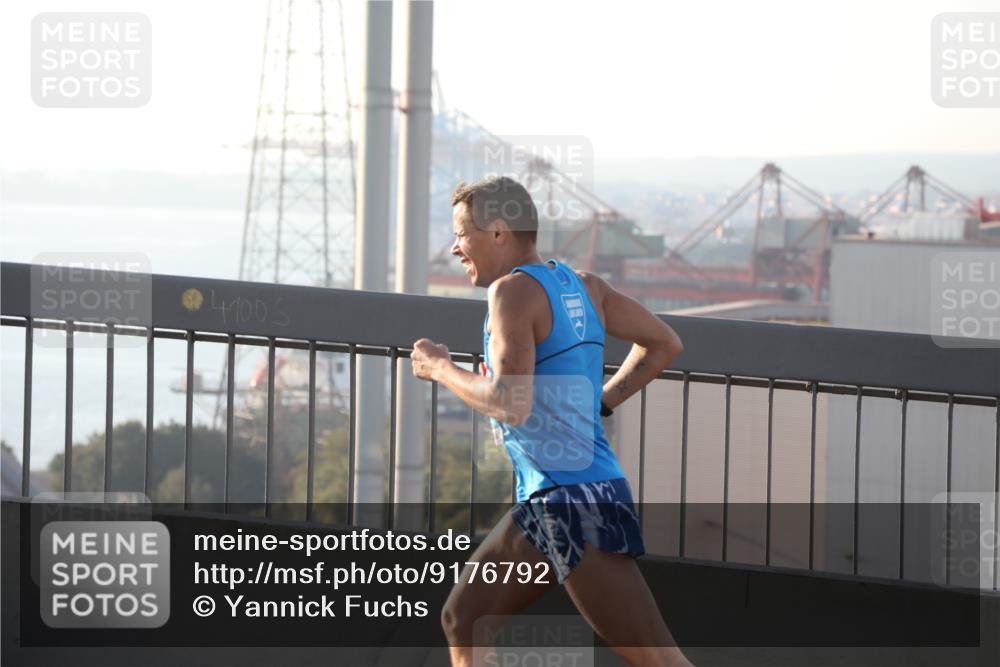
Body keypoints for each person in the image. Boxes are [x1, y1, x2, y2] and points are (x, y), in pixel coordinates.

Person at [410, 176, 692, 667]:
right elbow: (664, 343)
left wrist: (439, 368)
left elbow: (509, 402)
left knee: (661, 662)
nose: (454, 247)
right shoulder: (584, 286)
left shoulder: (511, 294)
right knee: (464, 618)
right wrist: (600, 403)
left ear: (498, 232)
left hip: (572, 504)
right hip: (549, 500)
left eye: (461, 233)